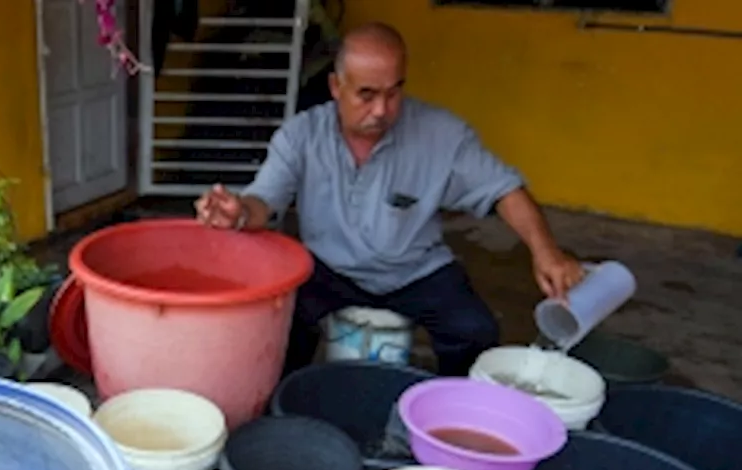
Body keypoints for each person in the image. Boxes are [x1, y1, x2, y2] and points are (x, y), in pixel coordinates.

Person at [195, 22, 584, 376]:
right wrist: (239, 212)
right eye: (366, 94)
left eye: (393, 92)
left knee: (474, 331)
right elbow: (266, 200)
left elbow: (504, 189)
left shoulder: (442, 134)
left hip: (416, 269)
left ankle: (445, 417)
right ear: (336, 87)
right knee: (280, 328)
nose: (381, 110)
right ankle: (286, 411)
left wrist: (545, 251)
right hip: (328, 267)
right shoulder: (302, 135)